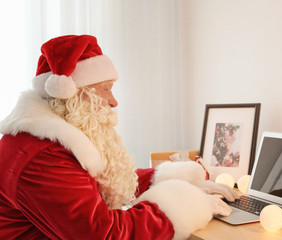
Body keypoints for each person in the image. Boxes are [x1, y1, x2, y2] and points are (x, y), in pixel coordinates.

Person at [0, 35, 238, 240]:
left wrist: (180, 180)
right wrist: (190, 205)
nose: (114, 101)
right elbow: (106, 234)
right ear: (72, 95)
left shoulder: (42, 140)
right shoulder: (45, 157)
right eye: (105, 89)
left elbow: (99, 184)